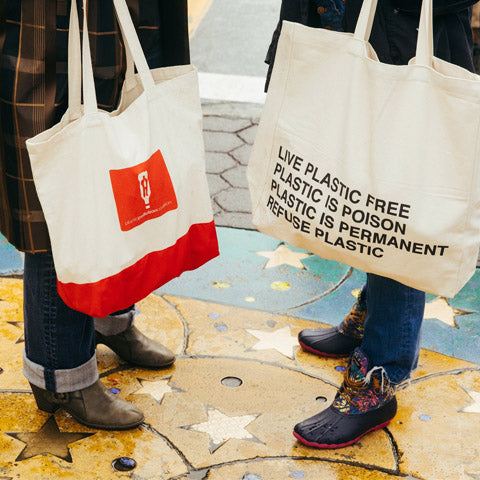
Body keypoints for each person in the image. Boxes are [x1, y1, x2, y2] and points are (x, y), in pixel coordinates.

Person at [266, 0, 477, 448]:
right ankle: (374, 317)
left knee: (401, 208)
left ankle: (380, 370)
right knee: (367, 196)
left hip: (413, 37)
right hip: (344, 21)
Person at [0, 0, 189, 430]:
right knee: (58, 209)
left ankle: (110, 319)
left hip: (115, 29)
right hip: (44, 36)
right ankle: (60, 374)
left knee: (118, 181)